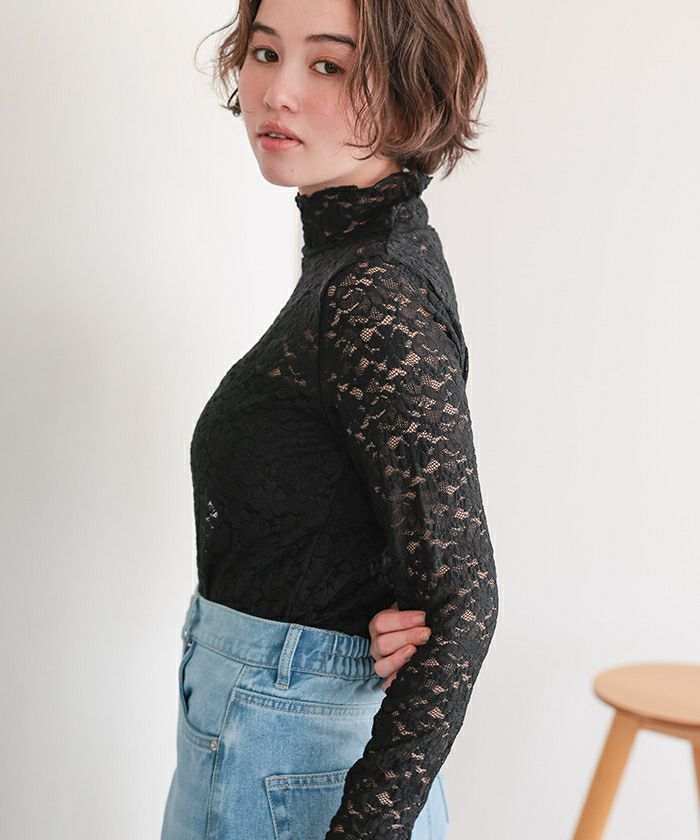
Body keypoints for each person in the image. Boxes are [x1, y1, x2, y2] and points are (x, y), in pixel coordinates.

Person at [160, 0, 499, 837]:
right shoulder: (358, 256)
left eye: (327, 65)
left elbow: (466, 601)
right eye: (264, 52)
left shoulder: (371, 291)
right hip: (277, 737)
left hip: (292, 755)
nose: (277, 91)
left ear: (411, 87)